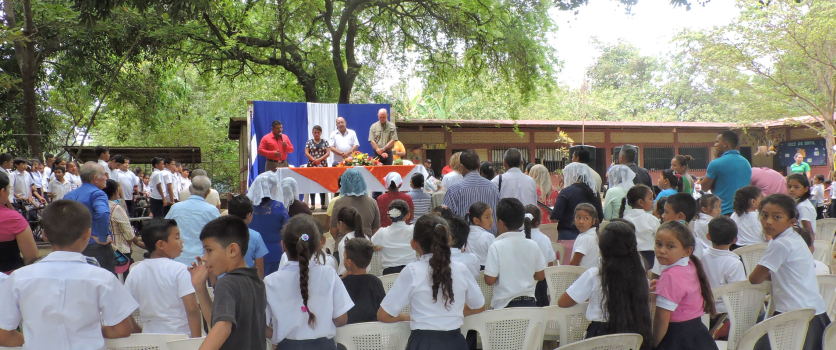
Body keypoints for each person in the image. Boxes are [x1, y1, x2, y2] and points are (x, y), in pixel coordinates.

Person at [0, 200, 137, 349]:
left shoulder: (18, 278)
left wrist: (36, 340)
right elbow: (122, 329)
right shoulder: (103, 278)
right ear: (88, 234)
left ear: (44, 235)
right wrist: (90, 332)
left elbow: (4, 335)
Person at [377, 214, 486, 349]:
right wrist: (453, 313)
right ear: (449, 240)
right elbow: (479, 306)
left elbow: (384, 314)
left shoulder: (412, 271)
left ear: (413, 244)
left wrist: (408, 317)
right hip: (456, 342)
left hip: (423, 343)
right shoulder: (461, 269)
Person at [748, 194, 830, 350]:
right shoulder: (795, 237)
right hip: (814, 310)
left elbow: (755, 278)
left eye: (777, 217)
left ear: (792, 221)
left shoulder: (780, 243)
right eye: (764, 215)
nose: (768, 221)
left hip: (793, 313)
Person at [558, 220, 652, 349]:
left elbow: (563, 302)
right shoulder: (640, 275)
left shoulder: (595, 274)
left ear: (602, 250)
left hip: (601, 335)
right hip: (634, 332)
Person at [265, 215, 353, 348]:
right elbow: (341, 319)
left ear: (283, 246)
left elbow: (261, 326)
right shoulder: (329, 274)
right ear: (318, 245)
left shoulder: (270, 281)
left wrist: (278, 334)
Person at [189, 216, 266, 350]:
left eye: (209, 250)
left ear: (232, 250)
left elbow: (223, 326)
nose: (204, 258)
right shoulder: (257, 281)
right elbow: (217, 322)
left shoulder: (227, 283)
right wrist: (200, 288)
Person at [126, 219, 201, 337]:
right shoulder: (180, 270)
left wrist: (139, 332)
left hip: (149, 340)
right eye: (177, 238)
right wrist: (196, 341)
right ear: (161, 244)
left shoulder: (135, 271)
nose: (181, 241)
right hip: (181, 338)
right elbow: (192, 310)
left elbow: (124, 311)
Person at [650, 221, 717, 350]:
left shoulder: (670, 275)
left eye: (670, 246)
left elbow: (661, 319)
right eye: (658, 244)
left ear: (687, 251)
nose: (661, 251)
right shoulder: (690, 265)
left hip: (677, 337)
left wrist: (656, 345)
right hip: (698, 333)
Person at [484, 198, 547, 308]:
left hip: (504, 308)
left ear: (501, 223)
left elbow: (490, 280)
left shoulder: (496, 246)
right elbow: (540, 276)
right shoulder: (533, 245)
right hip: (530, 305)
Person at [63, 162, 116, 274]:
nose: (106, 177)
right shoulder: (98, 194)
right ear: (95, 178)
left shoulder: (69, 195)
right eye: (103, 175)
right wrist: (102, 237)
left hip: (74, 247)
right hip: (96, 247)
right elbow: (102, 214)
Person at [550, 162, 604, 257]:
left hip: (568, 237)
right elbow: (600, 216)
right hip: (591, 238)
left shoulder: (566, 192)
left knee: (569, 269)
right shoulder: (593, 192)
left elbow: (555, 217)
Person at [165, 176, 221, 266]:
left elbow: (164, 229)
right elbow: (219, 235)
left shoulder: (176, 208)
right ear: (208, 192)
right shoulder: (212, 211)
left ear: (190, 189)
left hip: (177, 259)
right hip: (201, 261)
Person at [702, 216, 746, 320]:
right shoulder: (734, 263)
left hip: (702, 310)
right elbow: (738, 295)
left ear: (708, 236)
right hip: (724, 313)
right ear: (735, 240)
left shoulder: (701, 256)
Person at [248, 172, 290, 276]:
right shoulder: (279, 207)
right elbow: (287, 230)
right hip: (274, 253)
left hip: (250, 252)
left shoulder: (248, 207)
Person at [702, 131, 752, 215]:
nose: (715, 145)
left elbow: (704, 187)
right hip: (742, 212)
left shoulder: (716, 163)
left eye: (717, 142)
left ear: (725, 144)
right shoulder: (746, 162)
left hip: (724, 212)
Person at [443, 150, 500, 224]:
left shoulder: (454, 189)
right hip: (490, 233)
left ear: (462, 167)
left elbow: (446, 216)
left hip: (465, 234)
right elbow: (499, 213)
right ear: (479, 166)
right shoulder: (493, 187)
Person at [104, 180, 144, 278]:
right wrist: (135, 243)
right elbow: (128, 232)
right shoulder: (115, 207)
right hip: (120, 251)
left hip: (103, 250)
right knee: (123, 280)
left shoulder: (95, 205)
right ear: (116, 191)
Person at [341, 237, 386, 324]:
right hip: (373, 334)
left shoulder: (341, 284)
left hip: (346, 335)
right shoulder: (376, 282)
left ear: (349, 262)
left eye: (344, 257)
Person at [0, 171, 38, 273]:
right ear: (2, 192)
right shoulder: (14, 219)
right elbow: (31, 257)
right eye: (9, 189)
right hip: (8, 280)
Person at [227, 195, 269, 279]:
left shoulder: (218, 234)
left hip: (223, 283)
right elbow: (259, 269)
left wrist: (214, 286)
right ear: (249, 215)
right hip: (247, 283)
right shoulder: (256, 236)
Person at [330, 169, 381, 238]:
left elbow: (333, 231)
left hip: (344, 244)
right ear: (362, 182)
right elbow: (376, 230)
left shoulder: (339, 202)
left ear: (344, 183)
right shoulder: (372, 202)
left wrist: (341, 242)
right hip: (366, 244)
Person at [619, 185, 659, 269]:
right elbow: (659, 238)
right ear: (641, 202)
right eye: (650, 198)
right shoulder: (652, 219)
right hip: (650, 258)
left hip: (628, 258)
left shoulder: (625, 219)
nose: (653, 201)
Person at [524, 205, 556, 307]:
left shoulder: (519, 238)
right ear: (539, 221)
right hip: (542, 281)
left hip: (524, 284)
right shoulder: (544, 239)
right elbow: (550, 263)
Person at [335, 207, 372, 276]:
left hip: (349, 280)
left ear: (341, 224)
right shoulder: (366, 238)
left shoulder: (344, 242)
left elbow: (347, 271)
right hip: (366, 276)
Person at [305, 125, 330, 210]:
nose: (316, 134)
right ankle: (312, 204)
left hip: (322, 165)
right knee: (312, 184)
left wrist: (319, 159)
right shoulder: (309, 142)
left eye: (318, 132)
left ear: (321, 133)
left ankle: (323, 204)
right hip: (311, 166)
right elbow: (306, 153)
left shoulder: (325, 141)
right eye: (315, 132)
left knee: (322, 184)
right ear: (312, 133)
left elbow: (328, 153)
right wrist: (313, 160)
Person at [568, 203, 600, 269]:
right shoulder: (594, 235)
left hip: (582, 276)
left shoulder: (585, 237)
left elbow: (574, 263)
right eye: (578, 218)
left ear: (594, 221)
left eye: (586, 218)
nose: (581, 222)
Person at [466, 202, 495, 269]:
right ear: (476, 220)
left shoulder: (466, 234)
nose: (491, 220)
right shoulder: (488, 236)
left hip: (470, 271)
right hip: (485, 272)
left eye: (491, 216)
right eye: (488, 217)